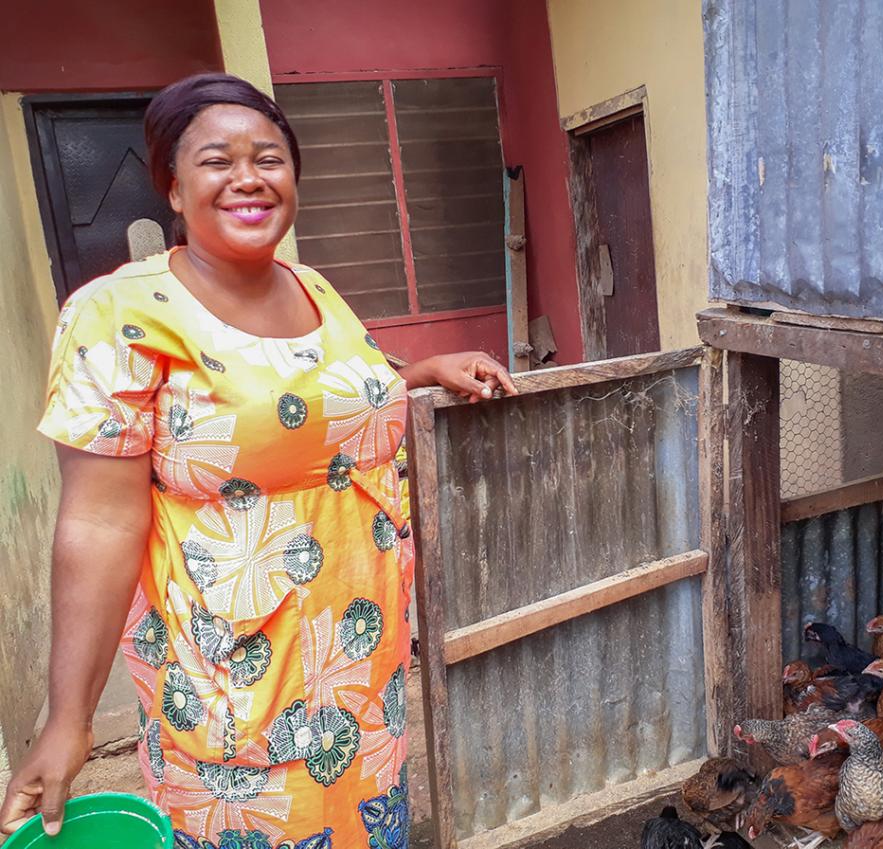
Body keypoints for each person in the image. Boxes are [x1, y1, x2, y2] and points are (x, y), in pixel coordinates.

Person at [0, 73, 516, 848]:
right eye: (217, 160)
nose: (249, 177)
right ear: (172, 188)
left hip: (357, 675)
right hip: (231, 692)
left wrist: (420, 370)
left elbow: (312, 406)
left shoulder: (314, 287)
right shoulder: (117, 316)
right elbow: (99, 520)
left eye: (269, 158)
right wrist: (67, 721)